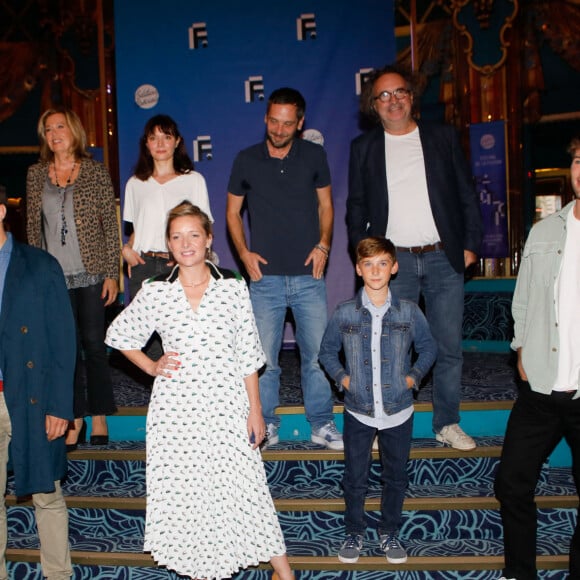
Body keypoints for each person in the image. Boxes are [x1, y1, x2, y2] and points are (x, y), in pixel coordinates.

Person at [105, 201, 294, 580]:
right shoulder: (156, 290)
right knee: (188, 494)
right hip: (176, 409)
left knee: (246, 484)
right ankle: (201, 569)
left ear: (208, 239)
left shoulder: (233, 287)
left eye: (194, 235)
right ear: (169, 244)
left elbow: (248, 354)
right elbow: (118, 335)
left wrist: (254, 409)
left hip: (227, 403)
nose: (186, 243)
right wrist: (152, 365)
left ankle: (284, 571)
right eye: (177, 237)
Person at [346, 64, 482, 451]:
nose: (393, 101)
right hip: (394, 265)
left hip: (443, 257)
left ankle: (447, 423)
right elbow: (355, 207)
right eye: (384, 95)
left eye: (400, 92)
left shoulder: (441, 137)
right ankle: (383, 424)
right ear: (374, 105)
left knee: (447, 345)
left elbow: (465, 194)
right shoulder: (364, 148)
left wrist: (471, 243)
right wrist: (367, 256)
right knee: (389, 348)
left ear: (411, 95)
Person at [226, 87, 343, 450]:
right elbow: (232, 212)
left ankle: (321, 423)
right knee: (264, 360)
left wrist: (324, 244)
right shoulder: (246, 159)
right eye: (273, 121)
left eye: (287, 123)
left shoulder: (314, 155)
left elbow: (326, 206)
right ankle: (267, 423)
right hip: (264, 279)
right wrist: (244, 253)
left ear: (300, 122)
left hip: (309, 277)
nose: (278, 129)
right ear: (266, 118)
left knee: (318, 356)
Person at [319, 237, 436, 565]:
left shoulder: (409, 312)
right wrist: (344, 380)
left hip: (399, 409)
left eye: (382, 263)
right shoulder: (344, 313)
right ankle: (354, 531)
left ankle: (389, 531)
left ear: (394, 267)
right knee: (355, 476)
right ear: (358, 269)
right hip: (358, 409)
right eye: (368, 264)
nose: (375, 270)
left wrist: (412, 379)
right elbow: (327, 351)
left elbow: (429, 348)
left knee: (395, 476)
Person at [494, 138, 580, 580]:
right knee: (511, 484)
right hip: (541, 388)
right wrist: (521, 349)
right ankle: (519, 572)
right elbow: (523, 298)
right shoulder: (545, 231)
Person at [26, 106, 119, 450]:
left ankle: (99, 416)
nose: (54, 134)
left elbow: (110, 226)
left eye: (59, 126)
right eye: (47, 129)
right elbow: (34, 231)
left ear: (74, 130)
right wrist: (35, 276)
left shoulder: (94, 171)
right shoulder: (36, 175)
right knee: (65, 350)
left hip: (92, 272)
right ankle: (73, 417)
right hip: (53, 278)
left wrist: (112, 274)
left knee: (94, 345)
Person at [0, 189, 75, 579]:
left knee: (47, 495)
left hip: (30, 396)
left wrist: (61, 406)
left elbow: (64, 340)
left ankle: (57, 575)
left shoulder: (40, 265)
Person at [122, 114, 213, 304]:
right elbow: (138, 229)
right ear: (146, 143)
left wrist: (194, 261)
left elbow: (205, 229)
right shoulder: (135, 184)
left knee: (182, 331)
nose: (160, 144)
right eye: (153, 138)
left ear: (177, 141)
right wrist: (127, 250)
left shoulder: (194, 181)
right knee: (142, 332)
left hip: (181, 264)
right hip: (143, 265)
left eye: (167, 137)